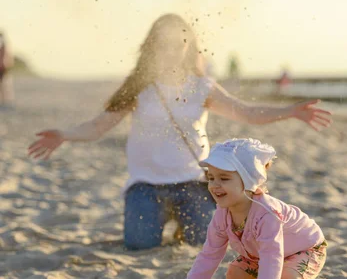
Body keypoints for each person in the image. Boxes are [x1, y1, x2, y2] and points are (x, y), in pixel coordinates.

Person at [28, 14, 331, 251]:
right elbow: (98, 125)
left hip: (193, 185)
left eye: (179, 43)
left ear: (189, 46)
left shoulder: (202, 86)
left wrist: (290, 111)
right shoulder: (139, 86)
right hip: (146, 186)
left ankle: (184, 222)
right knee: (140, 246)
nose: (172, 50)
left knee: (202, 244)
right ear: (152, 46)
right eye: (164, 43)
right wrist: (64, 134)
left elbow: (247, 113)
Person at [165, 138, 327, 279]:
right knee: (235, 273)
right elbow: (210, 253)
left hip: (305, 249)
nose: (215, 185)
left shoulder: (267, 214)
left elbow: (272, 257)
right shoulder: (222, 215)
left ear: (249, 181)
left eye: (224, 178)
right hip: (260, 254)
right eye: (211, 178)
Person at [0, 31, 14, 106]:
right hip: (3, 67)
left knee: (4, 84)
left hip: (3, 67)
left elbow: (6, 57)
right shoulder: (4, 46)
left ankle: (6, 100)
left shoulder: (4, 46)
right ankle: (5, 99)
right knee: (4, 84)